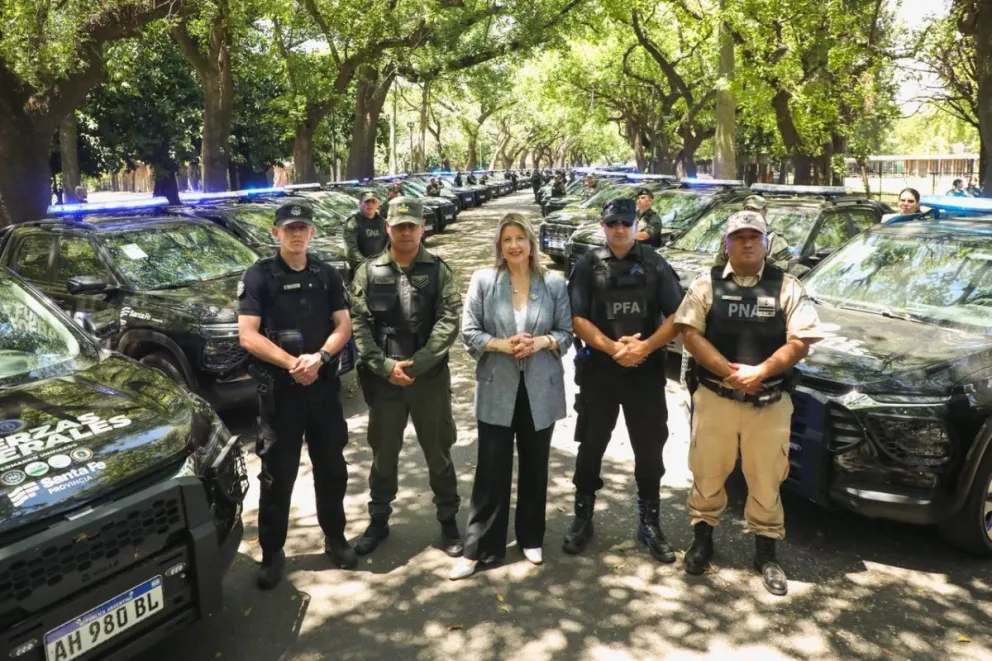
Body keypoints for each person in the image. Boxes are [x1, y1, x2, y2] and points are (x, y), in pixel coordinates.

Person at [674, 210, 823, 596]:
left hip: (768, 402)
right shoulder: (706, 284)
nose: (747, 243)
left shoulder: (787, 286)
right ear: (726, 244)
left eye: (754, 236)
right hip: (716, 397)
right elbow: (690, 334)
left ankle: (766, 553)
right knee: (707, 473)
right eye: (738, 237)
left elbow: (801, 341)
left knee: (766, 477)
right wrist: (730, 372)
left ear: (765, 243)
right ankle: (702, 541)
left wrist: (760, 371)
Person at [237, 201, 357, 589]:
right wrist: (294, 364)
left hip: (322, 390)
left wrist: (320, 358)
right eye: (289, 228)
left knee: (332, 468)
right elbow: (247, 335)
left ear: (312, 233)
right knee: (277, 476)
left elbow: (343, 325)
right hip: (281, 395)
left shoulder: (326, 274)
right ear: (276, 233)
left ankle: (335, 538)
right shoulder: (259, 276)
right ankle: (272, 553)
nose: (296, 234)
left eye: (302, 227)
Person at [450, 214, 574, 580]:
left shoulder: (553, 283)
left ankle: (531, 536)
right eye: (507, 240)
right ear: (499, 246)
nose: (514, 245)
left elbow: (566, 333)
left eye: (520, 238)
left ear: (531, 243)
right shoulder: (484, 281)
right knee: (491, 470)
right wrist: (502, 345)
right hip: (497, 387)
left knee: (536, 466)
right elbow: (469, 331)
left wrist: (541, 341)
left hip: (540, 388)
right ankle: (479, 548)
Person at [563, 198, 685, 562]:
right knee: (590, 446)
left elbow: (678, 315)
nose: (619, 228)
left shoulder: (655, 263)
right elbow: (577, 318)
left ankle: (650, 522)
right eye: (613, 222)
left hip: (645, 373)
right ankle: (583, 516)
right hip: (600, 373)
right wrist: (613, 348)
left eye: (626, 223)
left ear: (636, 225)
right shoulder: (587, 265)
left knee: (649, 449)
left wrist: (645, 346)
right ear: (603, 226)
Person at [348, 196, 465, 558]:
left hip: (428, 380)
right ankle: (378, 520)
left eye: (412, 225)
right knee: (384, 456)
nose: (406, 232)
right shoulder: (368, 272)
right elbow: (358, 325)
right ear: (387, 228)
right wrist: (385, 367)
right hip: (385, 383)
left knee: (439, 453)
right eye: (399, 226)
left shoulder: (439, 271)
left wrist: (418, 365)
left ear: (422, 227)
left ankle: (448, 520)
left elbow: (448, 321)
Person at [343, 192, 388, 274]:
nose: (370, 204)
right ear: (360, 203)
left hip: (383, 270)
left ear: (377, 205)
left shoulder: (383, 222)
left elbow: (390, 246)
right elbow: (351, 251)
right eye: (367, 201)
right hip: (361, 271)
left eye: (373, 201)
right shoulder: (353, 223)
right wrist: (369, 266)